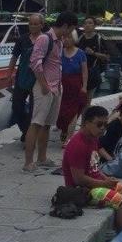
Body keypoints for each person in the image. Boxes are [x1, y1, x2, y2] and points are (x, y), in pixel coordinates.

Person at [62, 105, 122, 233]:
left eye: (105, 125)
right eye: (99, 124)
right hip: (82, 191)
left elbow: (94, 169)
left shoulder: (93, 139)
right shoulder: (77, 145)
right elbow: (78, 179)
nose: (103, 128)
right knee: (120, 201)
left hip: (95, 184)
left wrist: (107, 179)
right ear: (86, 123)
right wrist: (104, 183)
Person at [23, 11, 78, 172]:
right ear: (66, 26)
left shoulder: (59, 41)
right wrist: (43, 85)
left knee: (46, 125)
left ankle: (42, 157)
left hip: (55, 87)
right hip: (44, 87)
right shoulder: (44, 38)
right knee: (36, 123)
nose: (71, 33)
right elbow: (35, 62)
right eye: (72, 28)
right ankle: (28, 162)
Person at [7, 13, 44, 141]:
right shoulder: (22, 39)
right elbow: (14, 57)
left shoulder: (45, 40)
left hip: (38, 79)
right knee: (16, 107)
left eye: (36, 24)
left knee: (34, 109)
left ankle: (28, 136)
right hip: (22, 77)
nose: (33, 26)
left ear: (41, 25)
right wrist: (9, 73)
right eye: (30, 24)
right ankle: (26, 130)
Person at [57, 33, 88, 146]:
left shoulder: (80, 54)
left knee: (73, 112)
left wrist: (84, 86)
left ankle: (69, 139)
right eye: (64, 37)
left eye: (69, 37)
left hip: (75, 85)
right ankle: (64, 130)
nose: (66, 39)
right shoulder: (59, 52)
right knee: (61, 112)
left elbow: (84, 71)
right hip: (61, 85)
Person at [78, 16, 110, 106]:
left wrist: (93, 53)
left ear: (94, 26)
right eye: (85, 23)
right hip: (78, 73)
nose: (87, 25)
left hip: (92, 73)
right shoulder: (79, 38)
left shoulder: (99, 39)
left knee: (87, 102)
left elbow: (107, 57)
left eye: (90, 23)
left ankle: (85, 119)